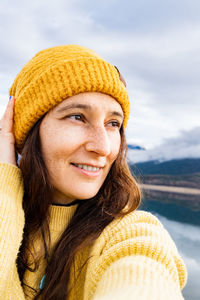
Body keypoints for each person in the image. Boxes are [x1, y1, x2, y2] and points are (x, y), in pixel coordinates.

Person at [0, 45, 187, 300]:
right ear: (29, 132)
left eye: (113, 124)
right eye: (77, 117)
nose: (103, 147)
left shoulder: (131, 234)